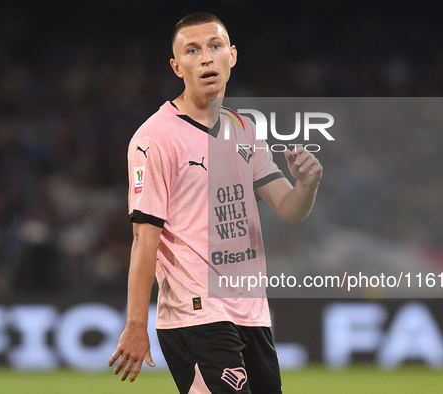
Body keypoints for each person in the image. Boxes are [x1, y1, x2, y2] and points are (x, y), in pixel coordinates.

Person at [108, 12, 322, 393]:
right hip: (196, 312)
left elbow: (289, 209)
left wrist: (307, 183)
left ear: (232, 55)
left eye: (214, 46)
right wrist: (136, 323)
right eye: (192, 51)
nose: (206, 58)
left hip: (251, 311)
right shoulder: (155, 138)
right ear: (177, 66)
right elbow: (145, 238)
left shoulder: (244, 129)